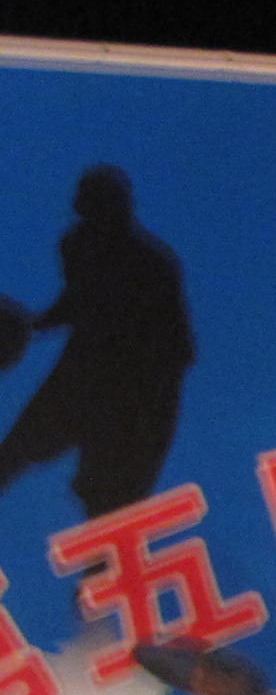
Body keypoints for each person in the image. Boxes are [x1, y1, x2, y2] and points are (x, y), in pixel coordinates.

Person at [0, 165, 196, 522]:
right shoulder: (76, 244)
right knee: (15, 453)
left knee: (110, 498)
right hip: (83, 374)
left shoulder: (151, 263)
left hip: (136, 389)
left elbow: (178, 346)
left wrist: (149, 399)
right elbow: (77, 301)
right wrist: (34, 323)